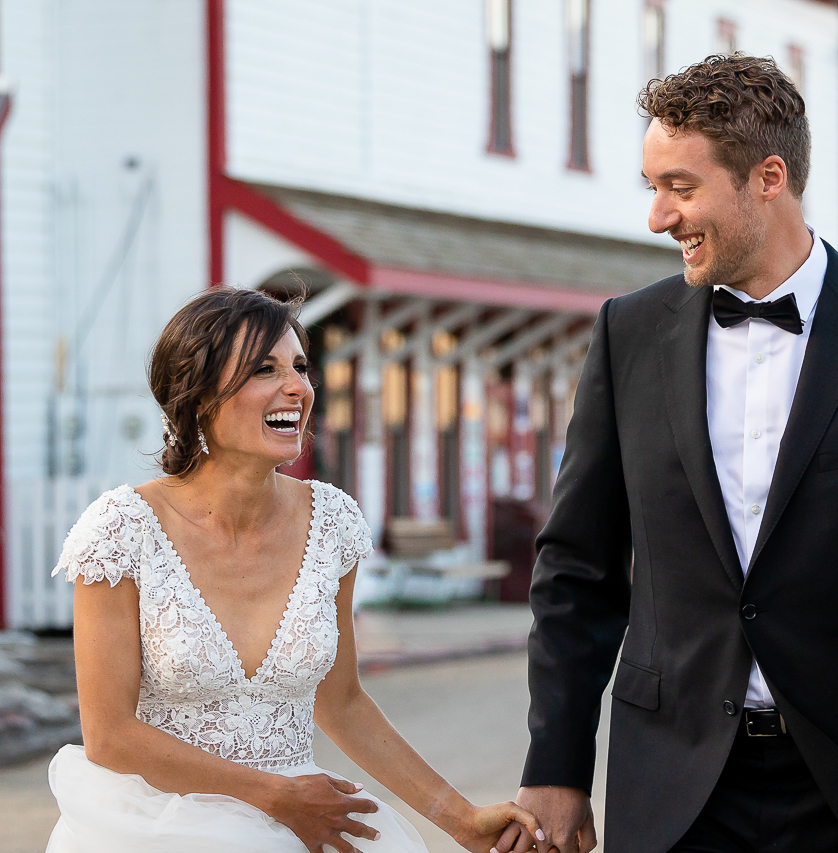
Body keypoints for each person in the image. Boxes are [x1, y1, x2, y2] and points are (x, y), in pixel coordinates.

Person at [514, 55, 838, 853]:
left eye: (681, 187)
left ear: (769, 177)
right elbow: (577, 570)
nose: (658, 216)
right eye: (651, 185)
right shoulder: (626, 334)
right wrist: (555, 765)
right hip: (672, 791)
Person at [46, 288, 542, 853]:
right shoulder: (121, 531)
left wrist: (460, 820)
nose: (297, 388)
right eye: (265, 369)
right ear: (198, 395)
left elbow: (343, 702)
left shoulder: (332, 522)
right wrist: (275, 796)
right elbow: (110, 737)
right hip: (154, 830)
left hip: (305, 820)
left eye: (300, 367)